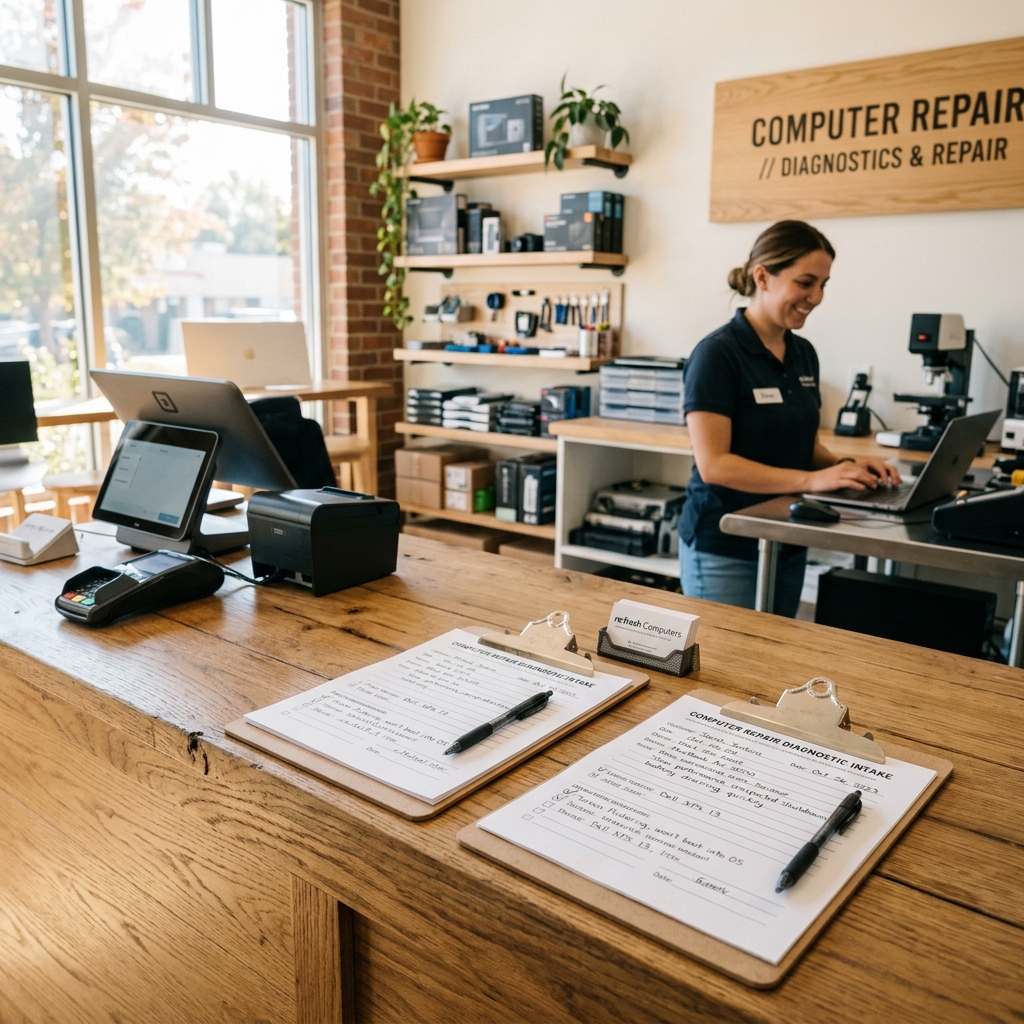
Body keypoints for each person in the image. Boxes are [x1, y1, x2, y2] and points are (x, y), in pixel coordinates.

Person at [680, 220, 900, 616]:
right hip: (726, 546)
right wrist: (814, 481)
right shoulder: (717, 354)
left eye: (823, 285)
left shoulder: (803, 353)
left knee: (774, 666)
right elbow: (714, 465)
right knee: (727, 669)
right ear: (762, 276)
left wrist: (846, 467)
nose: (816, 297)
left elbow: (804, 444)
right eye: (805, 282)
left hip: (786, 537)